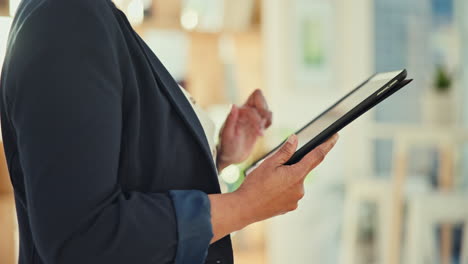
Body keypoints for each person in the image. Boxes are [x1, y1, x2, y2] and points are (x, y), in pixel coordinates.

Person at [0, 0, 338, 263]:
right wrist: (245, 205)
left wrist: (217, 156)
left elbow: (120, 168)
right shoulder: (67, 21)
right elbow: (85, 237)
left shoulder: (85, 18)